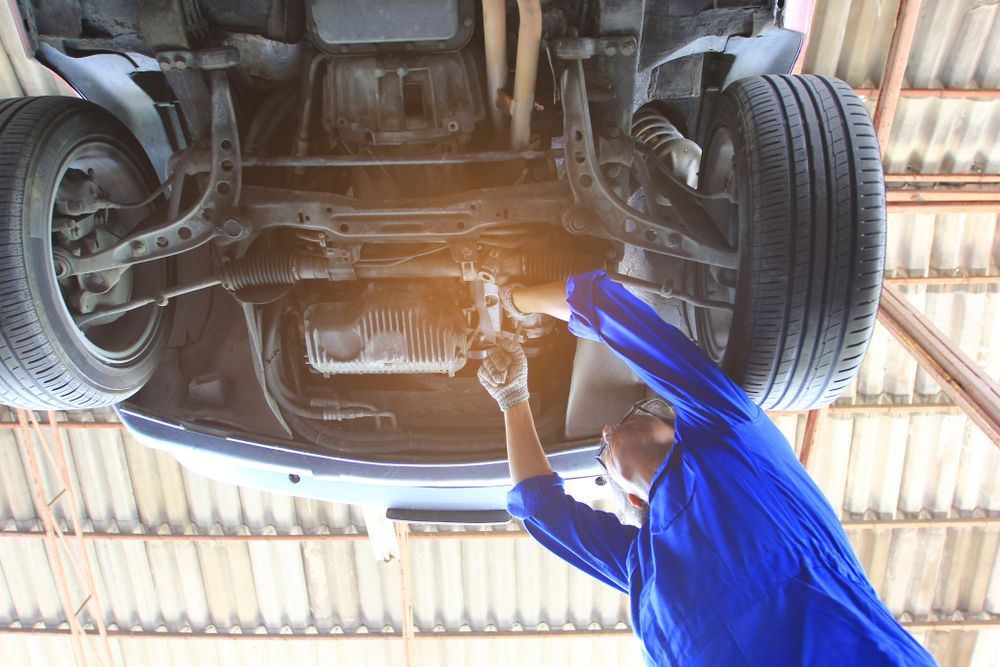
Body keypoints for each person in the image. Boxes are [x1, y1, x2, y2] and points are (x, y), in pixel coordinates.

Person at [477, 270, 937, 666]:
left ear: (629, 496)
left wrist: (513, 400)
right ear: (673, 427)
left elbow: (542, 512)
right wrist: (518, 299)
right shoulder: (730, 433)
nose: (604, 430)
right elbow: (610, 310)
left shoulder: (642, 569)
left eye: (601, 447)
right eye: (627, 418)